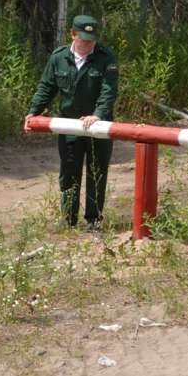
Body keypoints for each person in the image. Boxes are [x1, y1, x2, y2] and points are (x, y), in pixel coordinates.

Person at [24, 15, 119, 230]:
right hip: (69, 127)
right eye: (84, 39)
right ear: (73, 34)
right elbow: (46, 87)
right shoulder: (59, 58)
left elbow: (109, 91)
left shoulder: (106, 58)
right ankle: (68, 220)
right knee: (68, 172)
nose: (88, 43)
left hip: (98, 128)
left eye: (92, 39)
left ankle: (94, 221)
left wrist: (98, 114)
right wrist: (33, 112)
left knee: (96, 173)